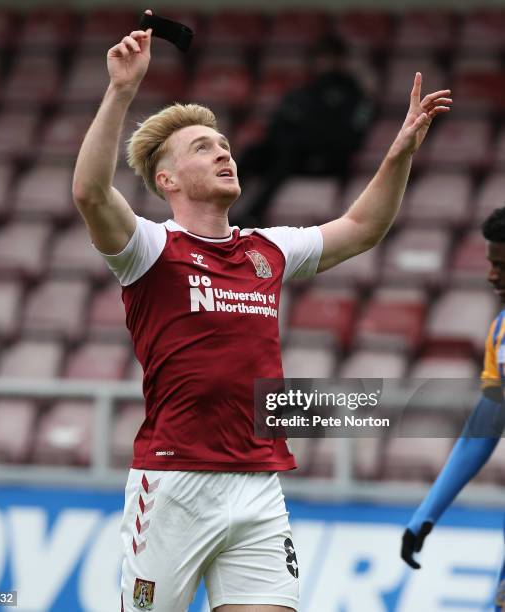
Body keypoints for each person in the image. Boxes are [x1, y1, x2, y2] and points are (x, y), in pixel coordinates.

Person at [72, 9, 451, 612]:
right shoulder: (149, 249)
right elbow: (91, 192)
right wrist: (122, 89)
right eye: (203, 148)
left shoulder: (267, 250)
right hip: (174, 486)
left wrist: (400, 152)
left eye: (224, 145)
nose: (224, 154)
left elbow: (362, 227)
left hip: (258, 484)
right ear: (166, 179)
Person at [401, 207, 505, 611]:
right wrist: (427, 513)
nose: (491, 275)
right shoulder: (500, 332)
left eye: (501, 265)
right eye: (490, 263)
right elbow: (481, 431)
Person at [236, 32, 373, 227]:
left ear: (340, 59)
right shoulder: (305, 88)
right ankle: (215, 205)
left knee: (288, 154)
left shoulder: (352, 93)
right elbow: (278, 123)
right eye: (319, 57)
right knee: (253, 153)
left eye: (328, 57)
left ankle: (252, 214)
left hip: (326, 159)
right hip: (291, 150)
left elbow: (349, 135)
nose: (323, 63)